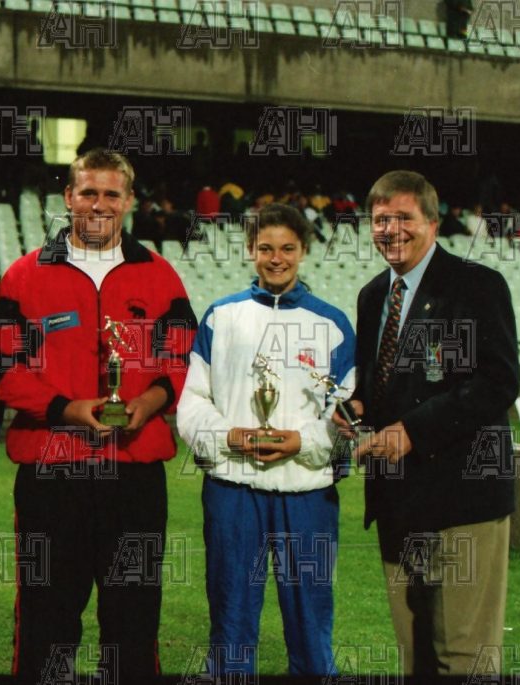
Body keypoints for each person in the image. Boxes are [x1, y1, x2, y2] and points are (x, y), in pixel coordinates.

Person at [0, 148, 197, 682]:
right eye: (88, 193)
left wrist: (151, 402)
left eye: (111, 194)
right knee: (46, 617)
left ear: (129, 200)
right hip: (52, 471)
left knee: (133, 617)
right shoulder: (24, 275)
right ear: (68, 197)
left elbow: (183, 359)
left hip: (134, 471)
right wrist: (65, 409)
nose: (99, 204)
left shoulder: (161, 275)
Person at [333, 170, 519, 676]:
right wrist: (356, 408)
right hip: (398, 500)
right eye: (380, 220)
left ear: (433, 224)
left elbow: (498, 382)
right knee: (415, 658)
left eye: (404, 218)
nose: (391, 230)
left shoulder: (477, 285)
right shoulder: (373, 295)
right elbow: (379, 385)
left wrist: (413, 430)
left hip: (464, 497)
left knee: (464, 656)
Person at [176, 203, 355, 676]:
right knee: (231, 618)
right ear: (251, 250)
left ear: (304, 250)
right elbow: (192, 402)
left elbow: (348, 414)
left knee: (311, 619)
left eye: (288, 248)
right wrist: (229, 435)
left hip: (307, 492)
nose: (277, 259)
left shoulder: (333, 324)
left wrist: (301, 442)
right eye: (266, 248)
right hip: (233, 490)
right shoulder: (221, 316)